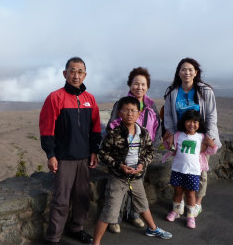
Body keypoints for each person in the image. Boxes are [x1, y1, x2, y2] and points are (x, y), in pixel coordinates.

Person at [93, 96, 172, 245]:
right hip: (118, 178)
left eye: (133, 111)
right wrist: (119, 166)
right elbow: (103, 154)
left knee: (142, 205)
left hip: (136, 177)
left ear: (138, 113)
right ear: (120, 113)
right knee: (110, 211)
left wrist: (142, 164)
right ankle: (96, 243)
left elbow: (150, 152)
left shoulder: (143, 133)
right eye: (126, 111)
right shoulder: (114, 134)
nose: (130, 114)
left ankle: (152, 229)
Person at [39, 57, 102, 244]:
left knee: (82, 196)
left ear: (85, 75)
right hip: (64, 158)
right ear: (65, 74)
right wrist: (50, 154)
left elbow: (96, 128)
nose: (76, 75)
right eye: (72, 71)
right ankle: (53, 238)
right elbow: (46, 128)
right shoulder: (55, 97)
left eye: (80, 71)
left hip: (84, 158)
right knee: (61, 199)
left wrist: (94, 151)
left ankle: (76, 229)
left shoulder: (89, 99)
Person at [163, 57, 222, 217]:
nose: (187, 72)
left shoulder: (205, 91)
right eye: (183, 69)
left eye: (190, 69)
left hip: (201, 139)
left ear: (196, 72)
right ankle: (179, 202)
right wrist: (171, 135)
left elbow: (211, 115)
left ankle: (196, 204)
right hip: (181, 138)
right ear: (178, 72)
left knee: (200, 173)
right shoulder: (173, 92)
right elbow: (168, 115)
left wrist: (206, 140)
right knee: (181, 169)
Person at [105, 67, 161, 232]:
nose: (140, 87)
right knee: (118, 189)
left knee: (137, 188)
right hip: (122, 156)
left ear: (147, 87)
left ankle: (133, 215)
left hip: (141, 157)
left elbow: (157, 130)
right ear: (130, 85)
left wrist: (150, 151)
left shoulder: (151, 106)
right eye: (136, 84)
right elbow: (112, 126)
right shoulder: (121, 104)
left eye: (143, 84)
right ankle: (114, 219)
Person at [163, 110, 218, 228]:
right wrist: (166, 141)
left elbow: (210, 151)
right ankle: (175, 211)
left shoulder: (202, 137)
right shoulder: (178, 135)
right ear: (184, 122)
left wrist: (212, 145)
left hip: (193, 171)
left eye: (195, 122)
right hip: (178, 169)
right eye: (189, 121)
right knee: (177, 193)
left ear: (199, 124)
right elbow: (171, 149)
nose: (192, 124)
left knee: (191, 194)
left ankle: (190, 216)